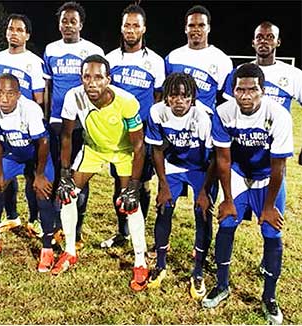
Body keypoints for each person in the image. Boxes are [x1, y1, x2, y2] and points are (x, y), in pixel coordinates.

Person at [202, 64, 292, 325]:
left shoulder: (278, 115)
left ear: (263, 91)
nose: (246, 95)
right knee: (227, 225)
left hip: (267, 177)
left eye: (253, 90)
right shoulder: (223, 112)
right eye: (240, 89)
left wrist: (269, 206)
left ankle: (269, 297)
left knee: (272, 233)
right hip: (239, 174)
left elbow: (279, 166)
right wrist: (228, 200)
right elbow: (223, 159)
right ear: (233, 91)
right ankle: (222, 285)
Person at [53, 55, 149, 292]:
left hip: (124, 151)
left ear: (109, 79)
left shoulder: (127, 101)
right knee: (67, 194)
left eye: (98, 77)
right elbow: (66, 136)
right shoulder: (73, 96)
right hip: (93, 149)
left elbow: (138, 145)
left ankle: (140, 261)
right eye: (87, 77)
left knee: (130, 203)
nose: (92, 83)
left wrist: (135, 185)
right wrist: (65, 174)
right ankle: (70, 250)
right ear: (81, 78)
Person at [143, 73, 214, 295]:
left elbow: (214, 158)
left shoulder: (203, 116)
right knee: (163, 209)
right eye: (174, 95)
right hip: (172, 165)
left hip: (201, 167)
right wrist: (163, 185)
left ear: (192, 98)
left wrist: (204, 191)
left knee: (202, 212)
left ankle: (199, 270)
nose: (179, 101)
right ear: (166, 97)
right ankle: (161, 264)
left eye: (185, 96)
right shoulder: (156, 112)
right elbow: (156, 149)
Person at [0, 73, 56, 269]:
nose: (4, 99)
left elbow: (43, 142)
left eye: (10, 94)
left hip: (36, 155)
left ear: (19, 94)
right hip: (12, 155)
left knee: (42, 192)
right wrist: (0, 173)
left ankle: (47, 249)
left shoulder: (30, 109)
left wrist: (38, 175)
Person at [102, 3, 164, 249]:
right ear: (121, 27)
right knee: (120, 183)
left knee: (143, 185)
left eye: (135, 25)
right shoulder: (111, 59)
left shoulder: (156, 62)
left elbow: (158, 97)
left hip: (143, 134)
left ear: (144, 28)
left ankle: (139, 230)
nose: (130, 30)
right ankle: (122, 232)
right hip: (117, 133)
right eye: (127, 25)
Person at [43, 1, 104, 249]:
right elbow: (48, 87)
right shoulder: (50, 50)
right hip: (58, 122)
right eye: (64, 21)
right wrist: (47, 117)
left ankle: (76, 231)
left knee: (80, 176)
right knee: (59, 173)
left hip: (83, 122)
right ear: (59, 24)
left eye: (73, 21)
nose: (68, 25)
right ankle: (57, 225)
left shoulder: (92, 50)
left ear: (81, 24)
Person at [0, 13, 46, 237]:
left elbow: (39, 98)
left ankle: (35, 220)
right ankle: (11, 216)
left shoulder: (35, 62)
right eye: (11, 29)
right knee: (3, 173)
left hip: (25, 126)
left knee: (31, 176)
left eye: (19, 30)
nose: (14, 33)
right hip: (3, 128)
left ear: (27, 35)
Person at [221, 22, 302, 164]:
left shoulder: (294, 75)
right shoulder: (239, 72)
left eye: (270, 37)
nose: (264, 41)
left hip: (275, 147)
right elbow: (228, 110)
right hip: (243, 146)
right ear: (253, 42)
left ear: (278, 42)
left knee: (275, 183)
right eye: (259, 37)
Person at [165, 5, 232, 112]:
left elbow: (224, 98)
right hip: (174, 121)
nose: (196, 29)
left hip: (204, 122)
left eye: (201, 25)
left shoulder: (222, 60)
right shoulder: (173, 57)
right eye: (192, 25)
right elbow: (167, 90)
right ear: (186, 29)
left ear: (208, 28)